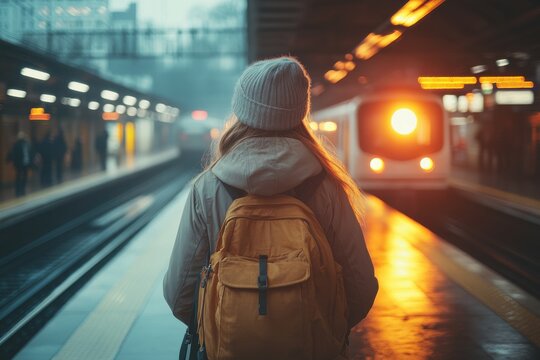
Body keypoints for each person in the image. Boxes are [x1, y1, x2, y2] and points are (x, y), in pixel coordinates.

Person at [163, 57, 378, 359]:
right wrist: (317, 329)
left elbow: (179, 294)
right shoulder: (327, 187)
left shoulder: (208, 187)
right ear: (299, 112)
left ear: (241, 111)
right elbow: (361, 287)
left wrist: (227, 329)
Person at [6, 131, 32, 197]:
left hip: (25, 162)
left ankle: (22, 189)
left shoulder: (26, 144)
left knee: (24, 176)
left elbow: (29, 152)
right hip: (19, 163)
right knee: (18, 177)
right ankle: (18, 190)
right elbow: (14, 154)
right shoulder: (17, 144)